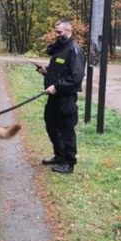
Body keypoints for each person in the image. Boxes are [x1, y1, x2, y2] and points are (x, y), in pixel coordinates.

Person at [37, 20, 85, 174]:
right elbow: (60, 69)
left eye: (60, 32)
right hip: (54, 98)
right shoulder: (61, 49)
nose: (56, 35)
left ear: (69, 30)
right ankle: (59, 156)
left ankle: (68, 163)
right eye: (56, 31)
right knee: (51, 125)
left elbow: (75, 78)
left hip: (66, 99)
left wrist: (56, 87)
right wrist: (47, 70)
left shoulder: (74, 50)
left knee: (66, 130)